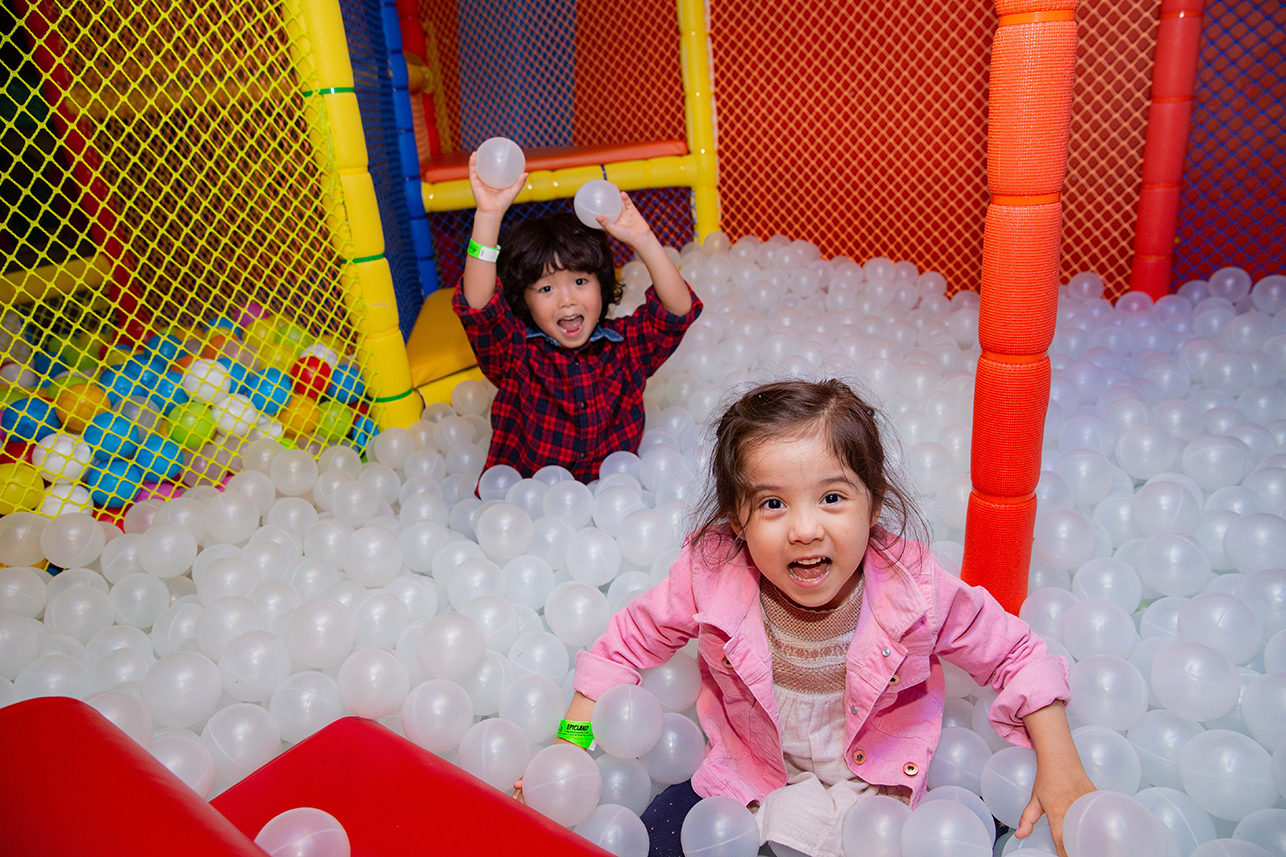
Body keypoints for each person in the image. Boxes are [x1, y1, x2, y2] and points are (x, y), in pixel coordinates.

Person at [524, 379, 1094, 857]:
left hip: (886, 781)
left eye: (832, 498)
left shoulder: (911, 587)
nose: (804, 529)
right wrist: (572, 748)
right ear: (736, 520)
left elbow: (1017, 655)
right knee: (658, 840)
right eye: (773, 504)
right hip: (751, 773)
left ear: (873, 503)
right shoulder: (711, 572)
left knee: (983, 825)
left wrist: (1061, 762)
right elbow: (623, 646)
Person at [453, 153, 702, 483]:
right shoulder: (516, 354)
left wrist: (642, 239)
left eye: (580, 282)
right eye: (545, 289)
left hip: (611, 500)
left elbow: (676, 311)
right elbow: (479, 308)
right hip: (530, 508)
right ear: (523, 301)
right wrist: (487, 216)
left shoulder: (626, 349)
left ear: (602, 285)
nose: (567, 299)